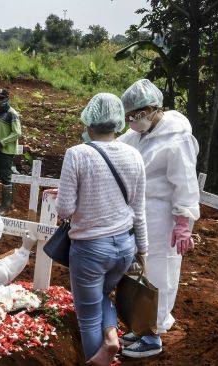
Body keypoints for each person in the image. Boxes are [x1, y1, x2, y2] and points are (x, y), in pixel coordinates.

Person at [55, 93, 148, 366]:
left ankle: (102, 355)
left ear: (89, 121)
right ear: (118, 122)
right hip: (124, 247)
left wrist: (62, 195)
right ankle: (110, 338)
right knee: (104, 295)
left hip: (90, 248)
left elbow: (65, 209)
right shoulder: (134, 155)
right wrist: (142, 250)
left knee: (87, 318)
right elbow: (138, 210)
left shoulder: (77, 154)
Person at [117, 79, 200, 358]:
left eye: (135, 116)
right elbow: (111, 150)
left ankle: (154, 334)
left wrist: (183, 221)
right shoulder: (137, 135)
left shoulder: (177, 137)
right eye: (128, 117)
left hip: (163, 216)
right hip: (137, 215)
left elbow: (185, 183)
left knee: (159, 273)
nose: (131, 122)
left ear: (152, 109)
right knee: (137, 271)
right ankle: (140, 326)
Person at [0, 88, 22, 214]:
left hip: (6, 150)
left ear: (7, 98)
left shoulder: (12, 113)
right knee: (2, 176)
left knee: (6, 176)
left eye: (2, 98)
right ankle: (6, 203)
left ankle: (6, 207)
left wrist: (2, 142)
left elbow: (17, 133)